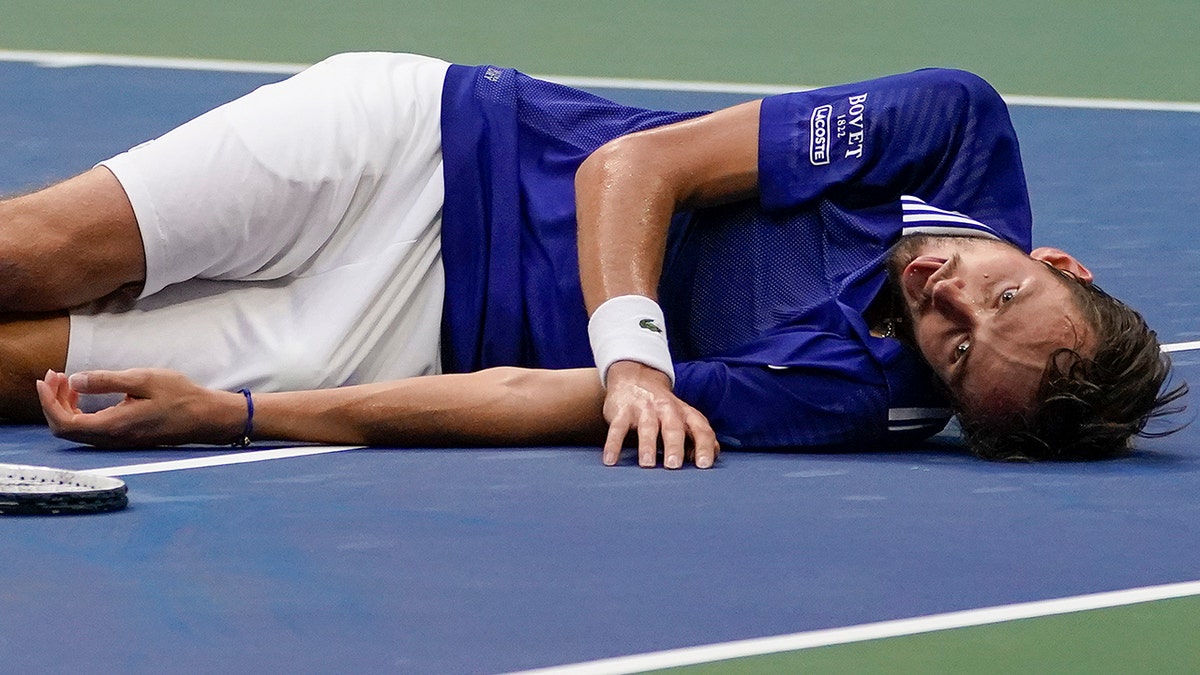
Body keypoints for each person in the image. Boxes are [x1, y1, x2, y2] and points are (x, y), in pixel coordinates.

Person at [0, 53, 1182, 467]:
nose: (951, 298)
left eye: (959, 349)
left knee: (27, 375)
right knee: (31, 255)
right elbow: (631, 170)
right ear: (1059, 257)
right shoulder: (952, 126)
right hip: (422, 148)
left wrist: (241, 412)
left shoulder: (848, 398)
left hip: (408, 334)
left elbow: (532, 398)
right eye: (1004, 288)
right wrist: (635, 360)